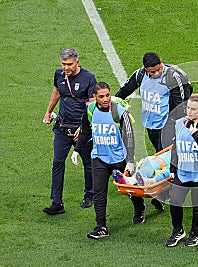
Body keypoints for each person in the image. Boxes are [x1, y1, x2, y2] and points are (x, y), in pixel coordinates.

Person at [71, 82, 136, 239]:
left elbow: (129, 134)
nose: (106, 99)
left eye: (108, 95)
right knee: (99, 193)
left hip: (119, 158)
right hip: (99, 157)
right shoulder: (90, 110)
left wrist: (130, 159)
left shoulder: (119, 111)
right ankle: (101, 227)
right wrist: (77, 150)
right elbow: (86, 130)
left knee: (129, 189)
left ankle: (140, 208)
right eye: (101, 96)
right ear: (95, 97)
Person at [42, 48, 97, 215]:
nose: (66, 68)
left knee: (87, 162)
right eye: (63, 64)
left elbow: (92, 105)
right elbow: (57, 92)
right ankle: (56, 202)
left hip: (82, 129)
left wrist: (84, 127)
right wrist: (48, 111)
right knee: (57, 163)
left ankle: (90, 194)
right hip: (62, 128)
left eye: (70, 64)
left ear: (77, 62)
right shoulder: (59, 74)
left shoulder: (89, 78)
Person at [166, 93, 198, 247]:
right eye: (188, 108)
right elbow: (176, 147)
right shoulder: (179, 123)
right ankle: (178, 231)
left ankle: (195, 234)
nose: (189, 112)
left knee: (197, 207)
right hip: (182, 172)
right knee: (175, 202)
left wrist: (196, 135)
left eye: (193, 109)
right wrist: (172, 168)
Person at [115, 52, 193, 152]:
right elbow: (124, 92)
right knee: (159, 152)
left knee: (164, 155)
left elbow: (181, 104)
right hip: (150, 123)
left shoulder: (173, 76)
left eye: (158, 69)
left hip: (167, 124)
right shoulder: (140, 74)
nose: (156, 73)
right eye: (152, 72)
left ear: (161, 62)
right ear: (145, 68)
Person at [112, 130, 198, 186]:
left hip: (193, 156)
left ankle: (151, 181)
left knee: (173, 168)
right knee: (155, 162)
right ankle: (131, 180)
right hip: (179, 149)